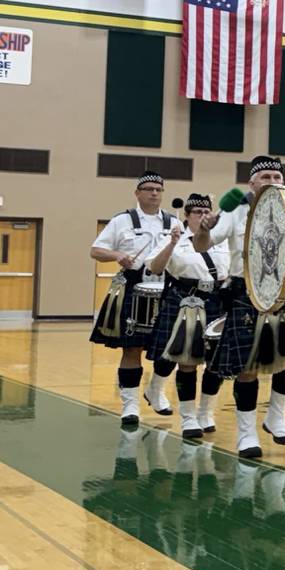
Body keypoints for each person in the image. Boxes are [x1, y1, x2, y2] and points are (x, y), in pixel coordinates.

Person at [193, 156, 285, 459]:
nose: (272, 182)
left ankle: (276, 415)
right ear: (252, 183)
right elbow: (201, 246)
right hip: (244, 291)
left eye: (277, 176)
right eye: (265, 177)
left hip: (284, 291)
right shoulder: (235, 208)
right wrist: (205, 228)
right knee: (247, 368)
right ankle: (246, 433)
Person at [90, 172, 177, 427]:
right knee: (131, 349)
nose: (154, 193)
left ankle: (156, 390)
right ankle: (130, 405)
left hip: (167, 286)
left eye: (158, 189)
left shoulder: (173, 222)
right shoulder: (122, 220)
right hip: (132, 284)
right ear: (137, 193)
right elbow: (95, 250)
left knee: (170, 347)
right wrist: (117, 255)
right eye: (148, 189)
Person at [146, 193, 230, 438]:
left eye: (206, 212)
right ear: (187, 216)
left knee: (215, 364)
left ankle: (206, 413)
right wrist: (172, 244)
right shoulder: (174, 237)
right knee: (187, 362)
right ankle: (188, 417)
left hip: (217, 300)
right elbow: (155, 268)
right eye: (197, 213)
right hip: (185, 300)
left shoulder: (221, 239)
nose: (202, 216)